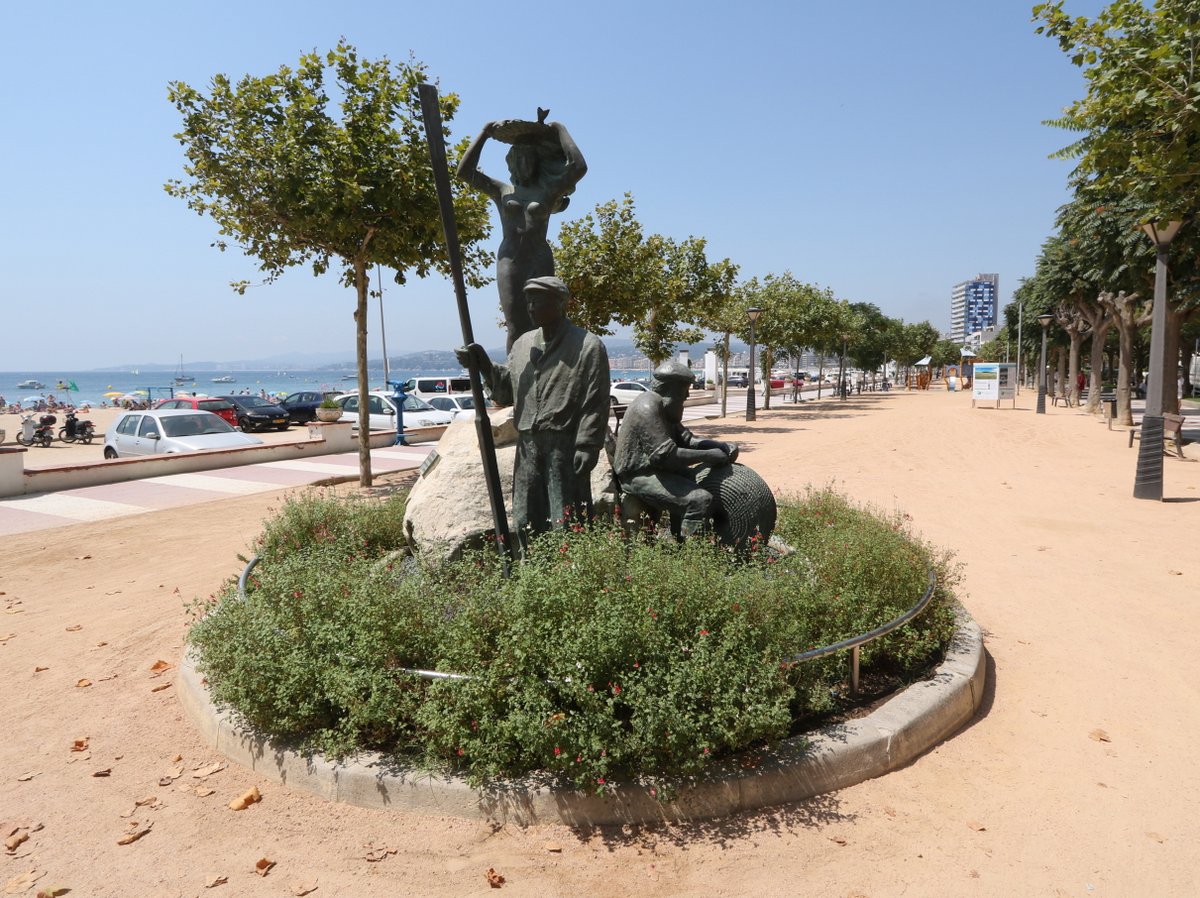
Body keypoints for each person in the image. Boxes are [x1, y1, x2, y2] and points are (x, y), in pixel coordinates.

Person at [456, 276, 609, 547]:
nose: (530, 307)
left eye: (537, 301)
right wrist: (484, 366)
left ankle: (570, 575)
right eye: (528, 301)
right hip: (527, 445)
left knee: (565, 517)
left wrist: (588, 445)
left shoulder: (587, 345)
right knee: (525, 517)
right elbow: (507, 391)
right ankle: (532, 573)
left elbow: (595, 400)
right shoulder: (522, 345)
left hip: (564, 444)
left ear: (560, 303)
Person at [456, 111, 587, 351]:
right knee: (515, 325)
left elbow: (578, 167)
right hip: (511, 261)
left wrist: (560, 129)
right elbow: (464, 172)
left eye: (530, 159)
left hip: (540, 259)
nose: (524, 164)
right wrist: (484, 134)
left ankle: (546, 371)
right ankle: (515, 379)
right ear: (511, 163)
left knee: (547, 323)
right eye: (519, 159)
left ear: (538, 162)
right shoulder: (502, 191)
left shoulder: (549, 190)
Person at [614, 360, 739, 540]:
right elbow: (666, 457)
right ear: (670, 389)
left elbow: (688, 440)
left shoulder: (666, 408)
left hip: (658, 470)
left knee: (696, 480)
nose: (688, 395)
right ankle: (690, 554)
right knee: (699, 500)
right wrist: (710, 456)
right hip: (638, 475)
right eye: (684, 391)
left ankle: (678, 538)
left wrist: (720, 446)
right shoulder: (647, 407)